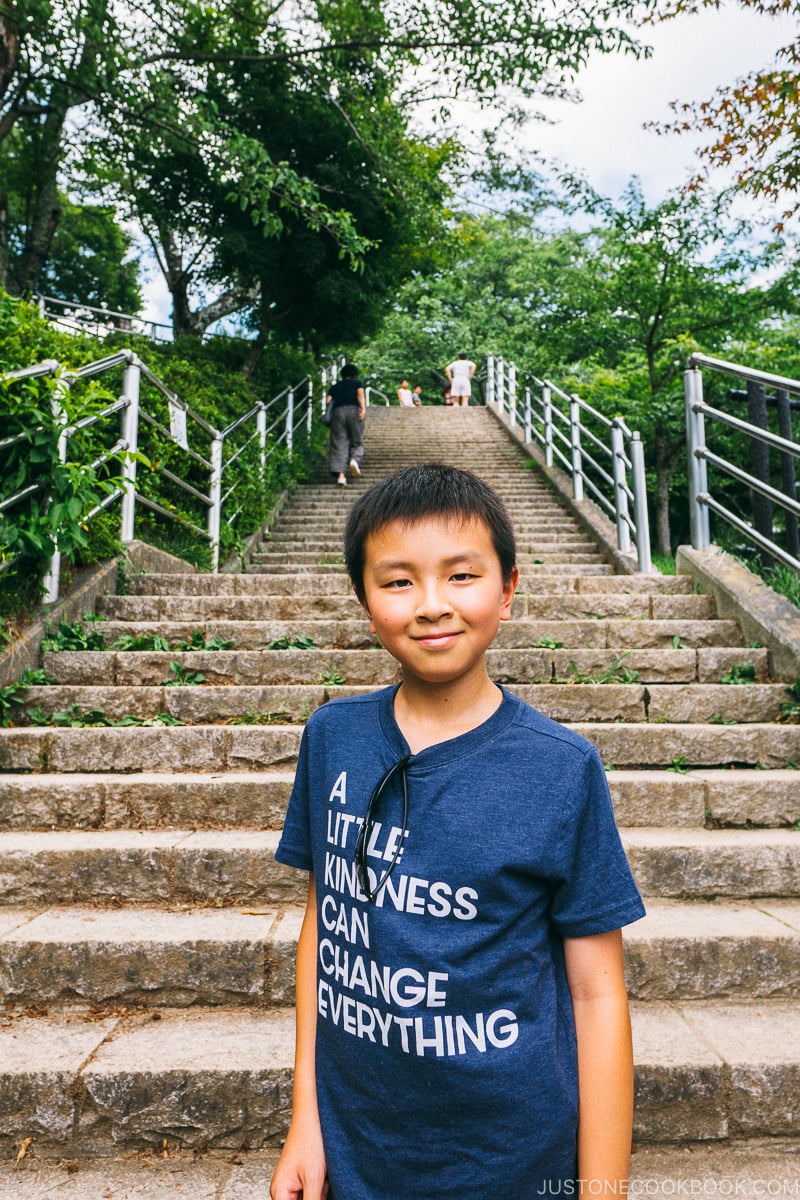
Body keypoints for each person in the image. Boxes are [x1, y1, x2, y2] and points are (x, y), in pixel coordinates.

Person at [270, 463, 645, 1200]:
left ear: (507, 591)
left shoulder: (560, 769)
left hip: (513, 1158)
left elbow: (598, 994)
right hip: (355, 1151)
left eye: (462, 576)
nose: (432, 605)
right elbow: (328, 922)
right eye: (399, 580)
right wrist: (303, 1120)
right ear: (364, 600)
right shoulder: (332, 738)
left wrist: (604, 1190)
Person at [326, 364, 365, 486]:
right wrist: (363, 409)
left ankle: (341, 476)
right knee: (356, 440)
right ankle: (354, 460)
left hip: (338, 413)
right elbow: (360, 396)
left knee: (339, 443)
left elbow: (328, 401)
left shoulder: (335, 386)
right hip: (353, 411)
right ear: (355, 375)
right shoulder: (357, 383)